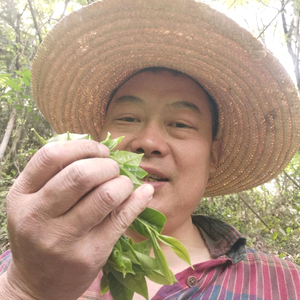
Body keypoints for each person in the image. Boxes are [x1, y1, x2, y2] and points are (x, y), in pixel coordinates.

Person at [0, 0, 300, 299]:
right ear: (97, 143)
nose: (148, 141)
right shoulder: (24, 265)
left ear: (213, 156)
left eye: (181, 124)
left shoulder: (284, 285)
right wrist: (27, 288)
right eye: (128, 118)